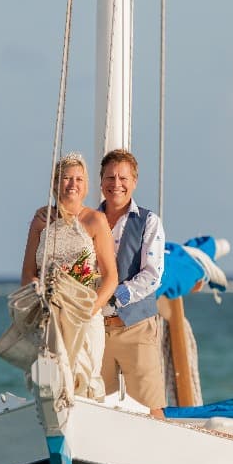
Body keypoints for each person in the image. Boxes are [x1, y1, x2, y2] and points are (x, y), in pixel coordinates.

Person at [21, 152, 119, 398]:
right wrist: (42, 300)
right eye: (66, 178)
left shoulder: (96, 220)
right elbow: (28, 274)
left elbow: (110, 277)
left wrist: (90, 309)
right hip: (49, 316)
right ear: (55, 184)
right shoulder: (41, 221)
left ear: (86, 186)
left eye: (78, 179)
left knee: (85, 382)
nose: (72, 184)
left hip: (86, 314)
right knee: (52, 383)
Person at [97, 148, 168, 416]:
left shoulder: (149, 221)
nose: (116, 184)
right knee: (97, 405)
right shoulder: (90, 220)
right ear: (101, 181)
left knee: (150, 407)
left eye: (123, 178)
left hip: (136, 327)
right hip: (97, 330)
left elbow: (152, 275)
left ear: (134, 182)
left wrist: (114, 297)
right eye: (110, 177)